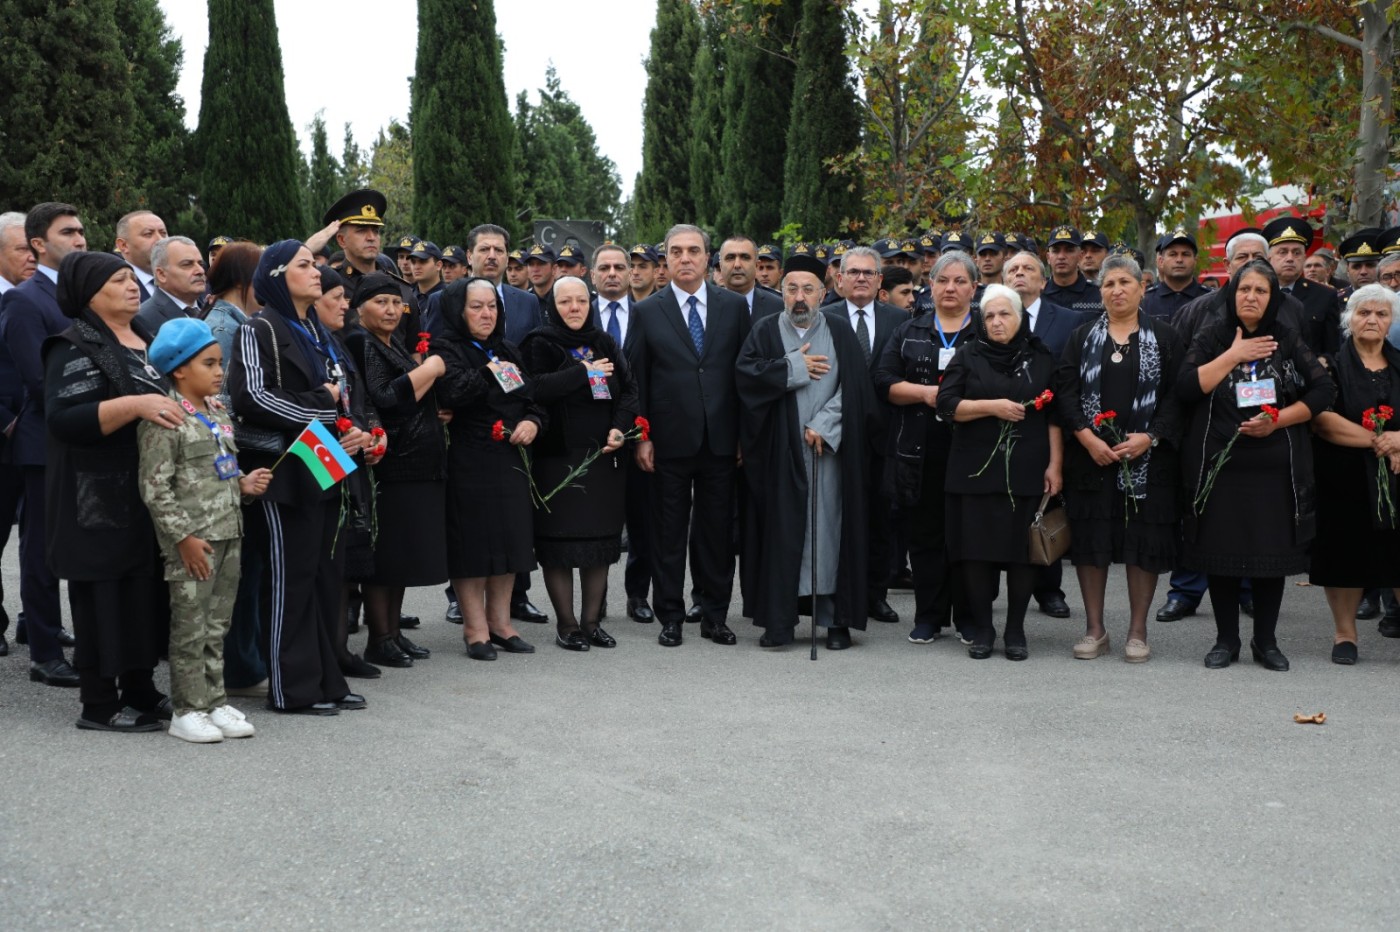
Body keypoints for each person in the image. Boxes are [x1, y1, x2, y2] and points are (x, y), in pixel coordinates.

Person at [43, 251, 184, 731]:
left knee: (141, 590)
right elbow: (64, 419)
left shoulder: (143, 336)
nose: (133, 286)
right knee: (102, 594)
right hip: (95, 492)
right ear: (89, 293)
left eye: (132, 279)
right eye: (120, 280)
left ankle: (140, 687)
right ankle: (98, 703)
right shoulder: (73, 343)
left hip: (143, 487)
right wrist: (135, 404)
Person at [227, 240, 369, 715]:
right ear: (276, 275)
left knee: (326, 575)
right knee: (290, 578)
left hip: (323, 462)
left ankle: (327, 679)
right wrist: (324, 412)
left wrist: (350, 430)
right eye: (305, 265)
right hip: (283, 468)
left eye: (316, 264)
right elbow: (251, 398)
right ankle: (291, 688)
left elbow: (339, 393)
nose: (316, 272)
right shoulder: (259, 327)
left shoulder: (315, 330)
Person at [1177, 260, 1333, 671]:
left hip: (1274, 468)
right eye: (1244, 289)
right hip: (1220, 464)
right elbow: (1186, 387)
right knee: (1221, 555)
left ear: (1272, 298)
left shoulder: (1285, 337)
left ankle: (1266, 641)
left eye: (1261, 291)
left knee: (1270, 556)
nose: (1251, 297)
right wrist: (1234, 354)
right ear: (1232, 293)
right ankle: (1226, 640)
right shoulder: (1212, 336)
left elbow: (1323, 388)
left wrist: (1279, 418)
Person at [736, 252, 880, 649]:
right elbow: (746, 378)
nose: (800, 297)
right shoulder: (765, 330)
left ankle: (835, 621)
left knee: (829, 534)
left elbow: (856, 391)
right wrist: (793, 368)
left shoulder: (838, 330)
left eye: (808, 290)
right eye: (792, 289)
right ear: (781, 292)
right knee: (781, 535)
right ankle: (779, 621)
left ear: (824, 292)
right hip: (780, 455)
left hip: (829, 455)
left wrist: (824, 424)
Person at [138, 318, 271, 742]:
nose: (219, 371)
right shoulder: (166, 417)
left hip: (228, 532)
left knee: (218, 624)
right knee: (190, 627)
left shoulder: (217, 411)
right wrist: (182, 538)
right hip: (193, 541)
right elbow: (155, 487)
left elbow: (220, 470)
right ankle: (187, 708)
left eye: (220, 363)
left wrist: (244, 486)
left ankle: (214, 701)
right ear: (179, 369)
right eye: (209, 363)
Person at [1056, 255, 1186, 663]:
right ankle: (1095, 629)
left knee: (1141, 542)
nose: (1117, 290)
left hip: (1148, 460)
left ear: (1142, 287)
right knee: (1092, 543)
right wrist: (1085, 436)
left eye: (1125, 282)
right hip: (1091, 459)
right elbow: (1064, 392)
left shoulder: (1165, 337)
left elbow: (1178, 397)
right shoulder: (1080, 338)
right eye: (1109, 283)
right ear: (1101, 292)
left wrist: (1150, 436)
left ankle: (1137, 631)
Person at [628, 225, 751, 648]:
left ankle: (715, 614)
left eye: (693, 251)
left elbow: (743, 376)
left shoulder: (734, 308)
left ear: (706, 258)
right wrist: (641, 436)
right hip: (667, 441)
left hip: (721, 439)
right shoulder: (646, 311)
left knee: (716, 533)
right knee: (668, 532)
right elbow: (637, 381)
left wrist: (742, 435)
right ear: (666, 259)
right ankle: (671, 615)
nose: (685, 258)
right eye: (676, 252)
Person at [937, 284, 1063, 660]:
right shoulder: (967, 354)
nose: (996, 322)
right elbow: (946, 406)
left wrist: (1056, 464)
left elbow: (1055, 415)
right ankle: (984, 629)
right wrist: (992, 407)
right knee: (975, 552)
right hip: (974, 470)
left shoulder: (1041, 357)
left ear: (1020, 318)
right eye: (989, 315)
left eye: (1004, 314)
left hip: (1027, 466)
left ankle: (1015, 629)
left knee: (1021, 553)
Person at [520, 277, 637, 650]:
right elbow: (534, 387)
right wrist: (583, 373)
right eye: (566, 301)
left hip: (602, 457)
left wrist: (620, 429)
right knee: (560, 545)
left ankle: (591, 623)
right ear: (554, 305)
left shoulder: (603, 341)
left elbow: (629, 390)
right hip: (557, 458)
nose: (574, 308)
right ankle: (567, 625)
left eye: (581, 301)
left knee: (598, 544)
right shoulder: (540, 341)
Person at [436, 277, 544, 659]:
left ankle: (501, 624)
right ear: (458, 311)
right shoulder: (444, 348)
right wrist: (488, 367)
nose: (486, 314)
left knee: (510, 540)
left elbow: (531, 398)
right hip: (468, 457)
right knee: (474, 543)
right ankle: (475, 628)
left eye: (492, 306)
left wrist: (532, 421)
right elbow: (454, 393)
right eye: (477, 307)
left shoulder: (507, 348)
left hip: (509, 457)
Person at [873, 254, 978, 644]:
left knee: (967, 537)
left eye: (960, 281)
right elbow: (883, 381)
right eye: (942, 280)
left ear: (973, 287)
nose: (950, 288)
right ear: (929, 286)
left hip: (972, 448)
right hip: (919, 449)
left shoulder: (987, 329)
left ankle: (970, 617)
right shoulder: (909, 329)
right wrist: (927, 394)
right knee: (926, 536)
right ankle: (929, 616)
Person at [0, 203, 84, 685]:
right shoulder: (26, 300)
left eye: (80, 231)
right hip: (45, 440)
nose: (79, 239)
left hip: (82, 439)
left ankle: (59, 632)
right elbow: (38, 379)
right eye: (67, 232)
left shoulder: (79, 296)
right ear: (38, 243)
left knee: (75, 544)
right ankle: (45, 651)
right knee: (42, 549)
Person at [352, 272, 449, 669]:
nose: (391, 310)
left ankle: (392, 632)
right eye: (381, 302)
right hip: (391, 463)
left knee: (402, 556)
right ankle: (379, 637)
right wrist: (432, 369)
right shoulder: (362, 342)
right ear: (360, 308)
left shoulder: (391, 344)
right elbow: (387, 398)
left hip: (415, 462)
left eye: (397, 303)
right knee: (387, 557)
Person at [1309, 284, 1400, 664]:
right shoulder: (1329, 366)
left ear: (1390, 321)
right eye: (1364, 313)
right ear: (1349, 319)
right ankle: (1345, 634)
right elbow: (1322, 420)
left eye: (1381, 314)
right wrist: (1377, 440)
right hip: (1342, 476)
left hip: (1397, 474)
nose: (1372, 320)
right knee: (1344, 552)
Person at [313, 267, 393, 679]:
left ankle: (340, 650)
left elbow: (359, 399)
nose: (346, 305)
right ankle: (323, 654)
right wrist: (340, 442)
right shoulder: (304, 341)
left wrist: (374, 433)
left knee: (346, 559)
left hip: (352, 461)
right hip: (321, 462)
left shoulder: (338, 344)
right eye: (337, 298)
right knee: (326, 559)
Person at [200, 242, 270, 698]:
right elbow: (217, 400)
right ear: (247, 279)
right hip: (235, 456)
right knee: (238, 572)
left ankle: (249, 660)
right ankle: (240, 669)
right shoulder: (223, 328)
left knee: (252, 570)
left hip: (247, 455)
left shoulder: (245, 323)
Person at [822, 245, 905, 627]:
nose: (859, 278)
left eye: (867, 273)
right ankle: (837, 592)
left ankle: (876, 594)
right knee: (837, 515)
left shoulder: (898, 321)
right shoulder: (823, 318)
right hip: (835, 434)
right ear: (838, 280)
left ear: (879, 281)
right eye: (852, 272)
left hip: (885, 435)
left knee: (881, 517)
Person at [135, 236, 206, 332]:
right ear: (161, 274)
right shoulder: (143, 319)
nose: (200, 271)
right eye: (187, 264)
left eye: (200, 264)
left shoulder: (212, 311)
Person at [1141, 229, 1209, 323]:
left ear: (1195, 261)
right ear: (1161, 261)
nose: (1179, 260)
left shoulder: (1211, 299)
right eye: (1173, 254)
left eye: (1185, 254)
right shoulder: (1144, 300)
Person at [1043, 225, 1104, 316]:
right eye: (1056, 251)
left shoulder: (1098, 295)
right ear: (1048, 257)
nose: (1061, 257)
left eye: (1069, 250)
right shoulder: (1038, 295)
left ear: (1080, 255)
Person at [113, 211, 166, 302]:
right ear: (124, 245)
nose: (160, 240)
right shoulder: (113, 287)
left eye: (163, 233)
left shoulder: (181, 279)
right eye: (148, 234)